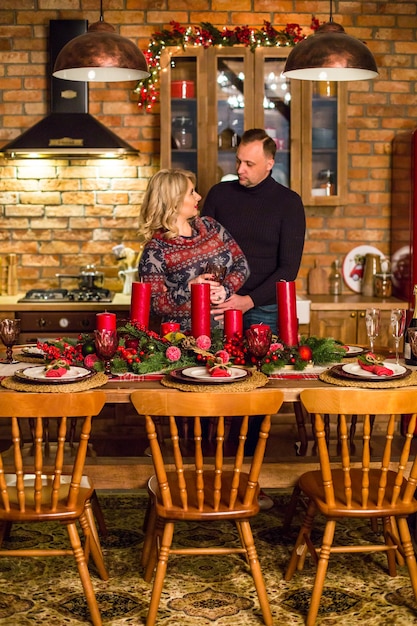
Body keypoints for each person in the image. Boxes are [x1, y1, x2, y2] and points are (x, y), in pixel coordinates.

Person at [202, 128, 306, 335]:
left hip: (264, 308)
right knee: (216, 365)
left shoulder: (289, 203)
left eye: (249, 164)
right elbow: (204, 252)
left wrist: (248, 301)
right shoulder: (219, 194)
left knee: (261, 366)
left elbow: (288, 269)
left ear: (269, 164)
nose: (240, 169)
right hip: (221, 304)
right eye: (238, 161)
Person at [138, 168, 250, 332]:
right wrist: (189, 288)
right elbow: (152, 306)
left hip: (228, 334)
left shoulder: (211, 226)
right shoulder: (155, 250)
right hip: (184, 343)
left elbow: (242, 264)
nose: (198, 197)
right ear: (174, 201)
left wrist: (225, 290)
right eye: (191, 193)